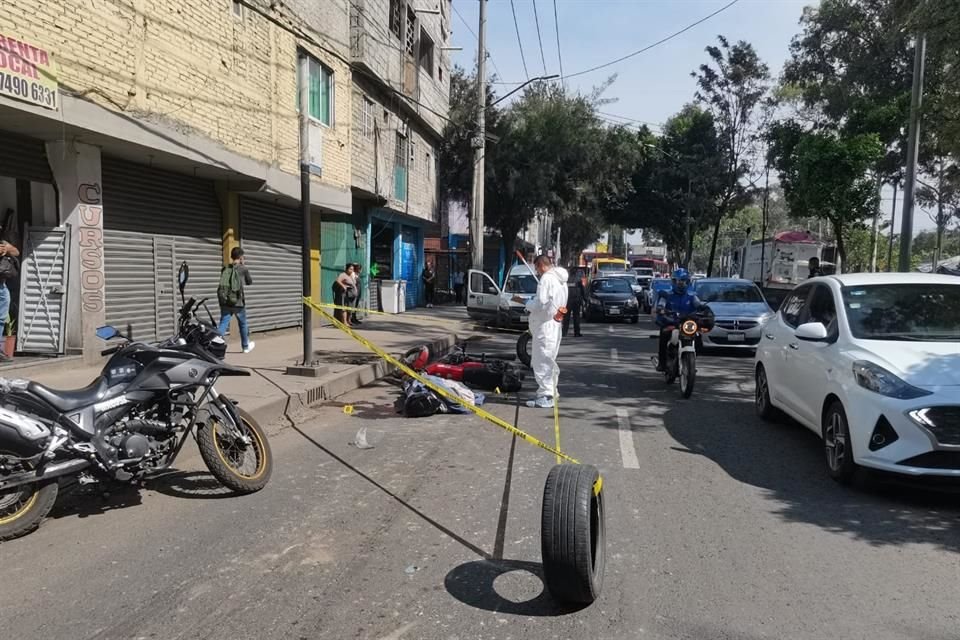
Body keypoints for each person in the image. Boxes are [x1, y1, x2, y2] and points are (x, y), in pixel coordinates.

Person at [513, 255, 568, 408]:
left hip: (546, 326)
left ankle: (546, 395)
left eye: (536, 268)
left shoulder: (546, 279)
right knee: (549, 360)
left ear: (541, 265)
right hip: (555, 324)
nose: (536, 272)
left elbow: (540, 304)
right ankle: (551, 391)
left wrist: (525, 302)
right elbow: (547, 301)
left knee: (541, 360)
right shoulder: (560, 280)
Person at [655, 268, 707, 372]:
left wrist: (705, 308)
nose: (681, 284)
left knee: (698, 336)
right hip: (671, 322)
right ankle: (662, 362)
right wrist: (661, 309)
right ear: (674, 281)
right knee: (664, 334)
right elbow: (661, 304)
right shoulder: (667, 294)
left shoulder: (692, 296)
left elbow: (699, 304)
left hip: (687, 323)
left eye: (683, 281)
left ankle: (691, 361)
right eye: (678, 281)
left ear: (688, 282)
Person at [217, 247, 255, 353]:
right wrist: (243, 264)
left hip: (225, 302)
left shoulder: (225, 268)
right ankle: (245, 347)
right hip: (238, 302)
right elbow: (249, 282)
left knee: (223, 323)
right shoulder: (243, 269)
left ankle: (214, 346)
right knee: (242, 324)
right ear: (241, 257)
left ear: (232, 256)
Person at [0, 216, 20, 364]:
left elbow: (16, 252)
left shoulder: (2, 242)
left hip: (2, 285)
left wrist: (7, 249)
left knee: (1, 318)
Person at [562, 268, 584, 338]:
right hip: (576, 300)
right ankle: (577, 333)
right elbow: (582, 289)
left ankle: (564, 332)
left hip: (567, 300)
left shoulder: (566, 280)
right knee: (576, 317)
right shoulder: (578, 279)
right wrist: (584, 298)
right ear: (576, 272)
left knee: (566, 317)